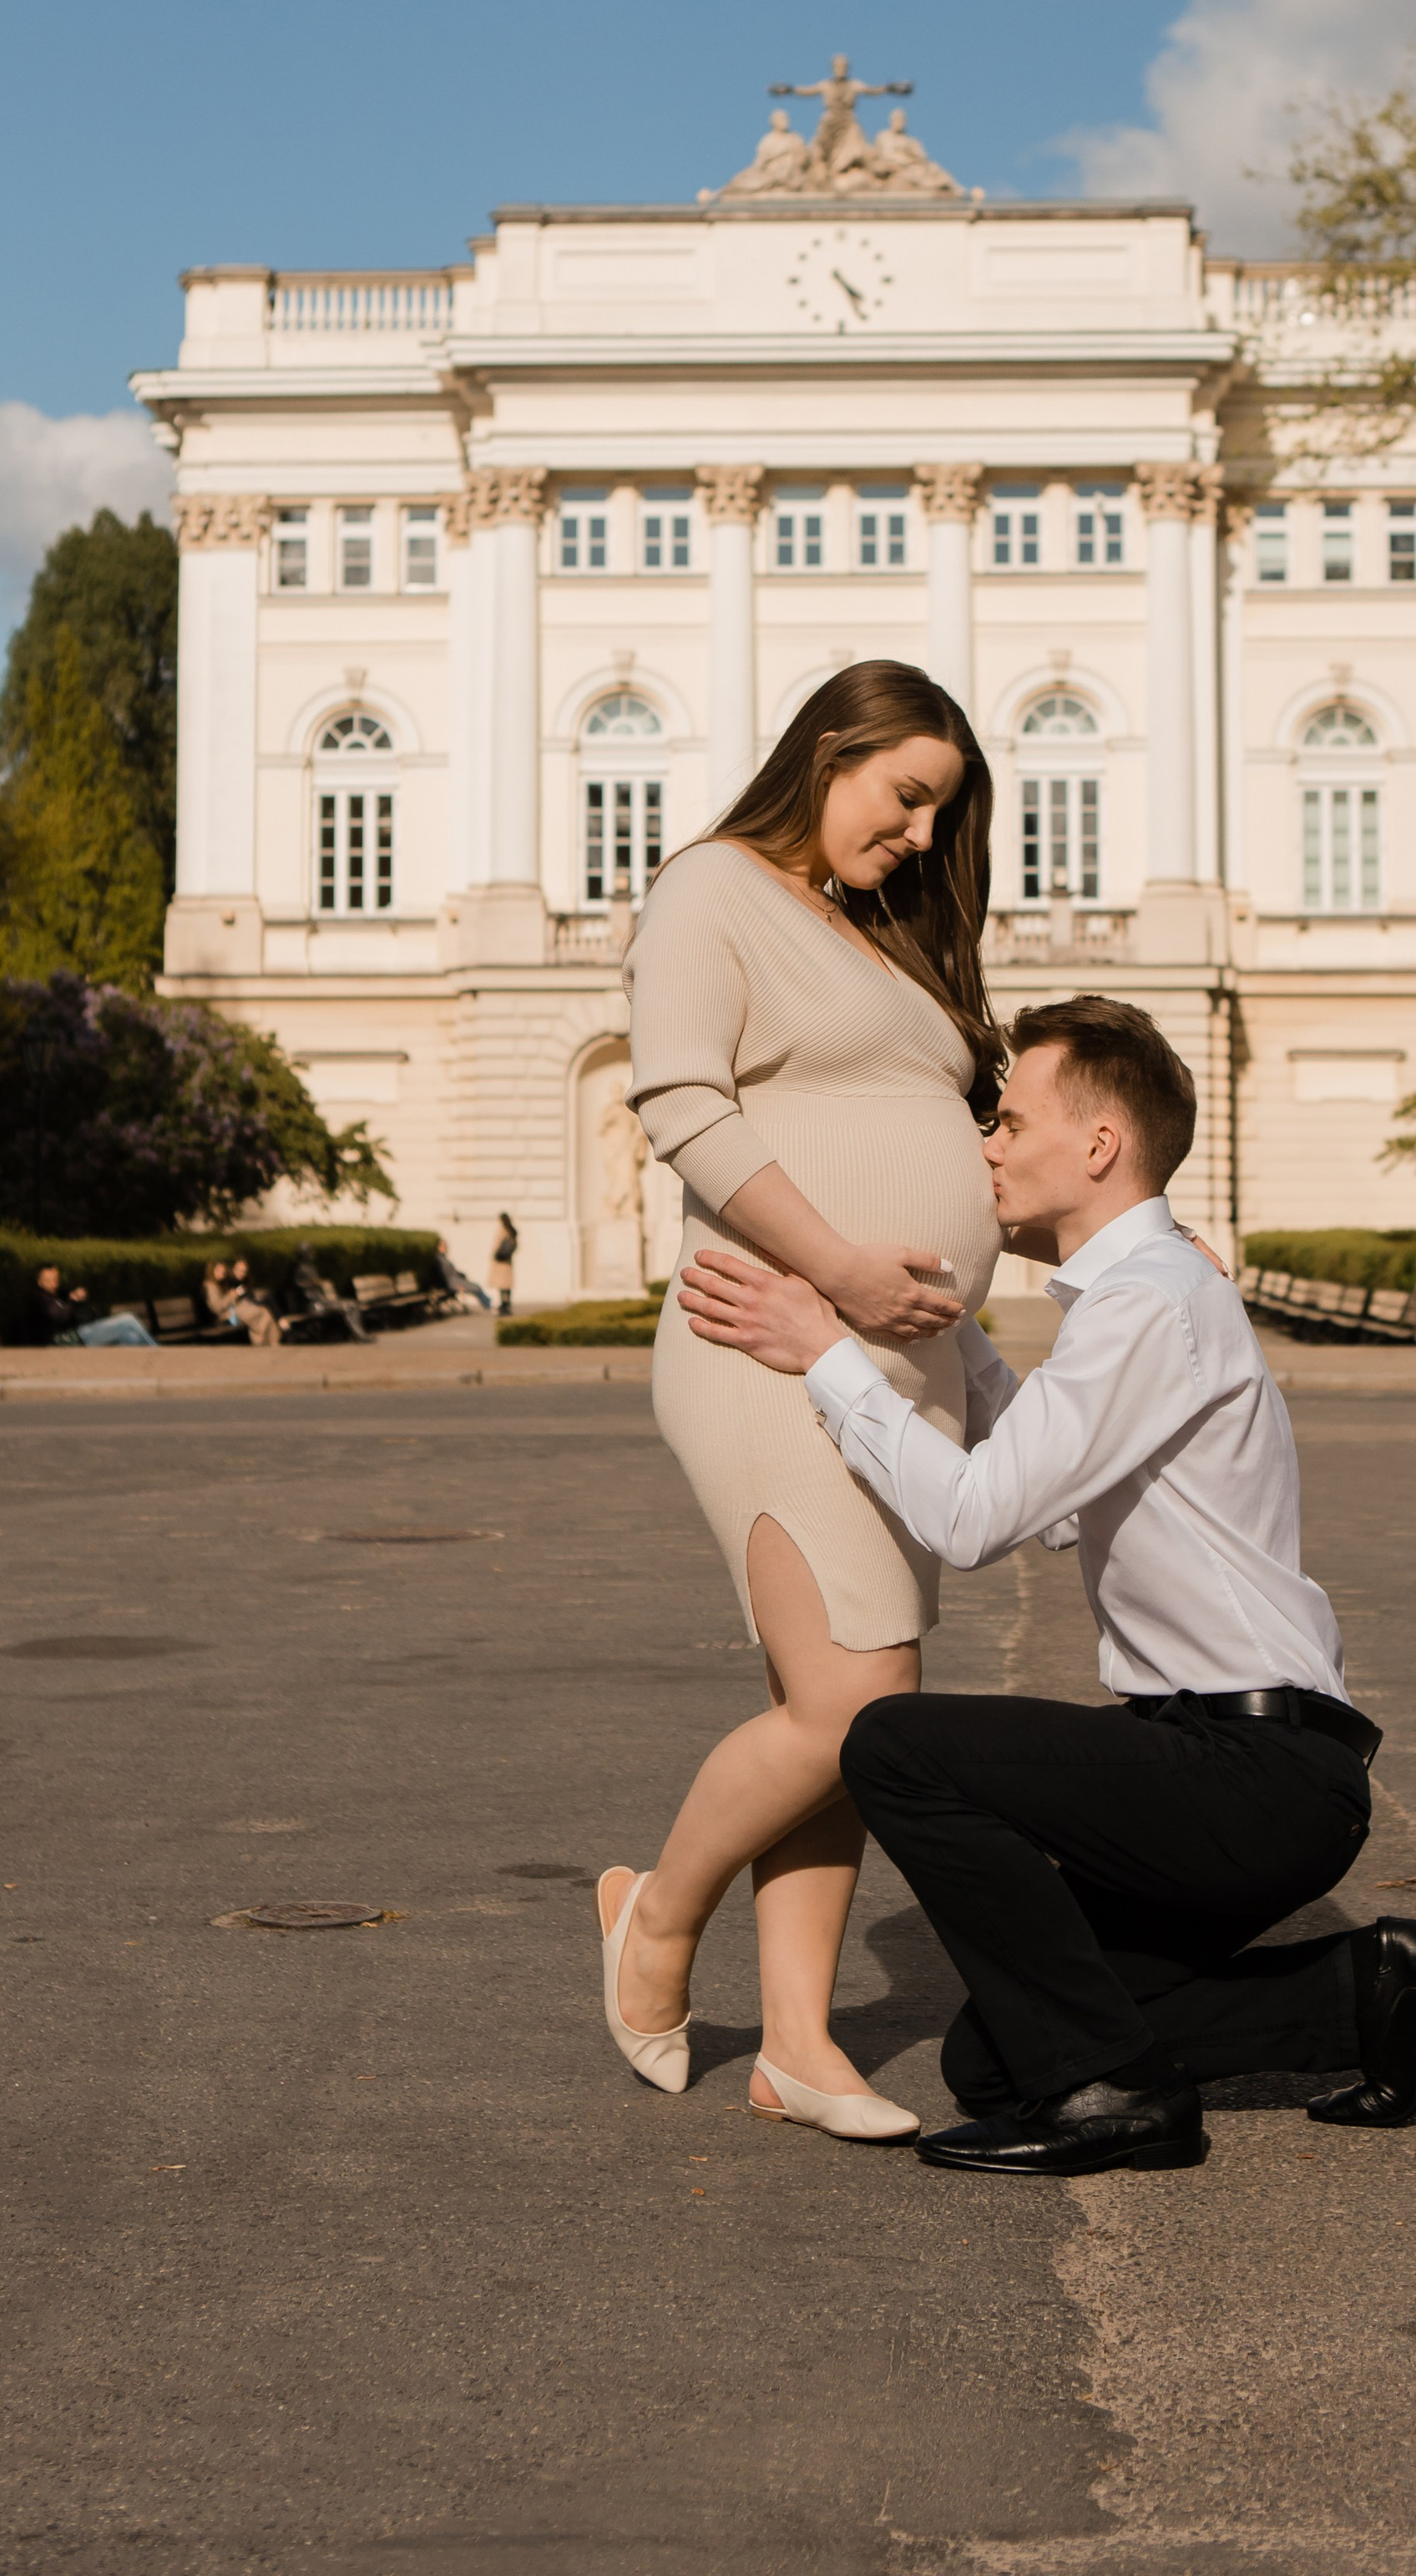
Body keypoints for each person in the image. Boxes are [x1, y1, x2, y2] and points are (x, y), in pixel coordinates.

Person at [679, 995, 1416, 2179]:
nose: (986, 1145)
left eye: (1008, 1120)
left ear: (1099, 1146)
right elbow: (1047, 1497)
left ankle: (1128, 2107)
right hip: (1236, 1772)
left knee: (896, 1743)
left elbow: (976, 1517)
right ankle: (1359, 1995)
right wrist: (955, 1342)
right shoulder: (1145, 1298)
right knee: (996, 2060)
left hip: (1248, 1775)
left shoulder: (1151, 1298)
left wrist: (823, 1352)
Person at [596, 660, 1002, 2143]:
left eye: (938, 817)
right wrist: (834, 1267)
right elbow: (681, 1100)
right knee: (857, 1703)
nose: (915, 837)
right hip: (770, 1335)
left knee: (831, 1711)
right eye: (905, 796)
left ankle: (797, 2047)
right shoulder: (712, 884)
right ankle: (657, 1912)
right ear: (830, 749)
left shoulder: (882, 933)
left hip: (899, 1358)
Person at [28, 1266, 154, 1349]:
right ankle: (161, 1354)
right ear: (40, 1282)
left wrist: (76, 1297)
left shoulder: (57, 1294)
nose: (54, 1283)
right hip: (71, 1340)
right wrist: (72, 1301)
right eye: (49, 1280)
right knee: (128, 1319)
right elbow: (58, 1315)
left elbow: (73, 1308)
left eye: (56, 1279)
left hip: (82, 1331)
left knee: (130, 1337)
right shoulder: (40, 1298)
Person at [205, 1258, 281, 1347]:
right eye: (219, 1271)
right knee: (260, 1313)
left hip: (233, 1310)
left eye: (223, 1271)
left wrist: (232, 1296)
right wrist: (231, 1296)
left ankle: (272, 1341)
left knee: (263, 1311)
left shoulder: (219, 1284)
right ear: (212, 1271)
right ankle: (265, 1342)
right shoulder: (209, 1286)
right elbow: (217, 1308)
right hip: (226, 1314)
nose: (222, 1273)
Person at [490, 1213, 518, 1319]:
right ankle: (507, 1304)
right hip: (507, 1262)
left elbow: (497, 1245)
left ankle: (504, 1305)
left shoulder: (503, 1230)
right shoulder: (511, 1231)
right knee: (506, 1285)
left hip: (500, 1262)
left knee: (502, 1285)